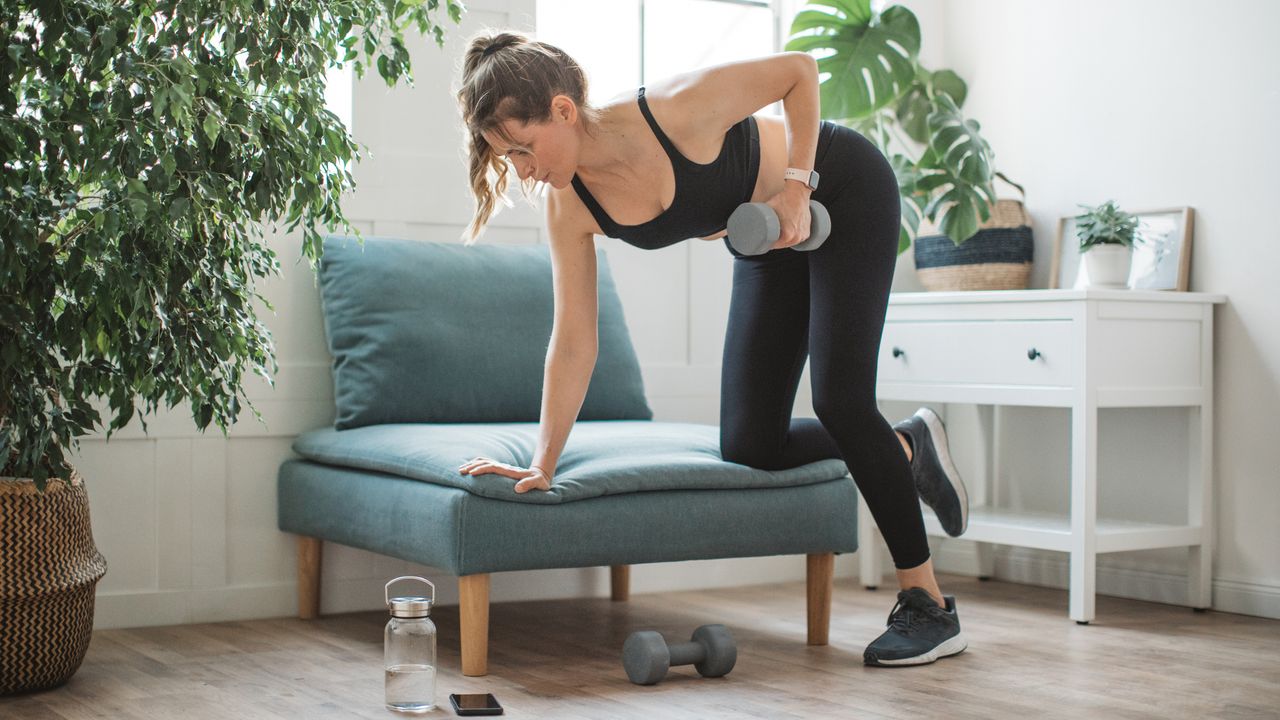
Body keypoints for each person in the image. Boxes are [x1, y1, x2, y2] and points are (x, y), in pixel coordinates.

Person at [453, 31, 970, 667]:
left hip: (838, 186)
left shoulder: (673, 108)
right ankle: (906, 447)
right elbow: (573, 340)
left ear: (563, 110)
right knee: (751, 442)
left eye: (523, 149)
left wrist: (799, 188)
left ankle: (928, 607)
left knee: (840, 398)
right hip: (767, 236)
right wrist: (543, 461)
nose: (523, 170)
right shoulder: (570, 204)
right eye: (509, 158)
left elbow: (800, 72)